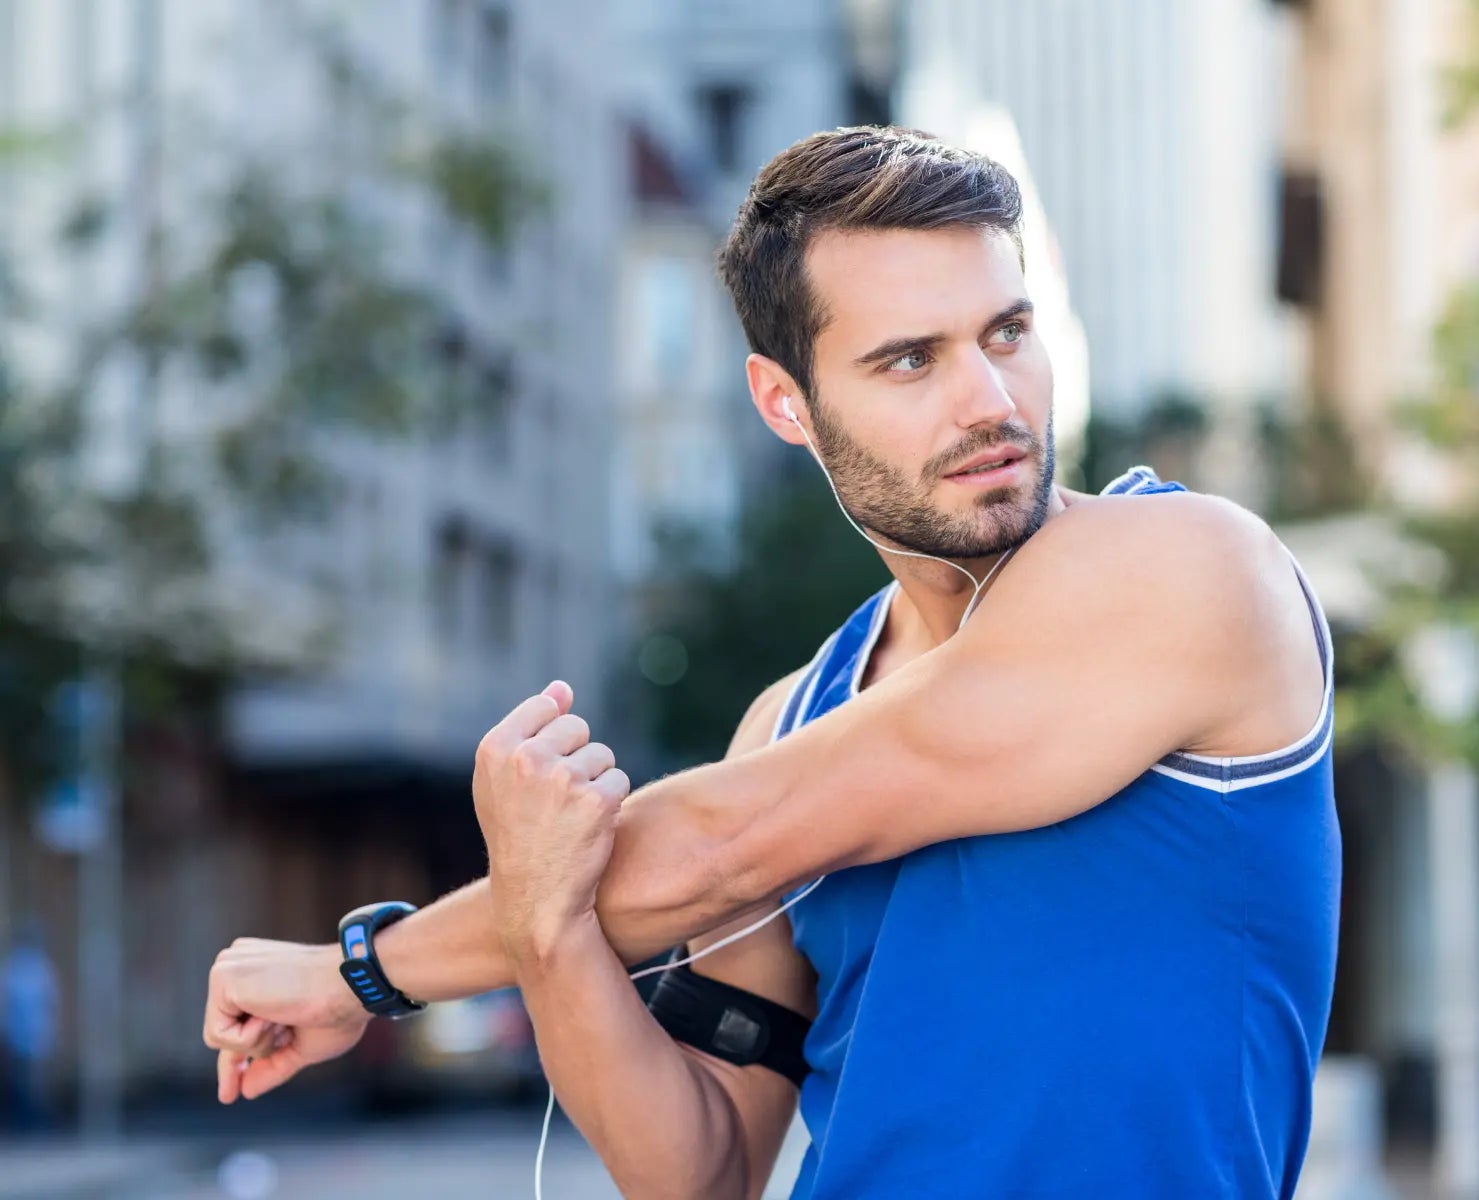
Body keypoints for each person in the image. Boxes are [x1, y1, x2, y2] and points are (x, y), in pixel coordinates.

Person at [204, 126, 1341, 1199]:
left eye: (1007, 332)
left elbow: (715, 845)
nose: (991, 400)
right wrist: (547, 931)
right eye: (910, 360)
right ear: (784, 403)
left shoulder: (1193, 574)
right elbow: (699, 1169)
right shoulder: (789, 719)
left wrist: (359, 969)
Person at [3, 920, 59, 1133]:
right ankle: (30, 1125)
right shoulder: (37, 968)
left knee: (29, 1085)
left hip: (28, 1036)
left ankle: (32, 1125)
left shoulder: (24, 968)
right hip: (29, 1036)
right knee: (27, 1084)